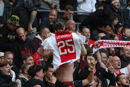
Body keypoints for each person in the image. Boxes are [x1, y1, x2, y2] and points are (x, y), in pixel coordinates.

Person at [38, 21, 96, 87]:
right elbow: (40, 52)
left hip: (68, 83)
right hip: (57, 83)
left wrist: (78, 39)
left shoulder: (72, 49)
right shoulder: (55, 52)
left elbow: (84, 53)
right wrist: (47, 39)